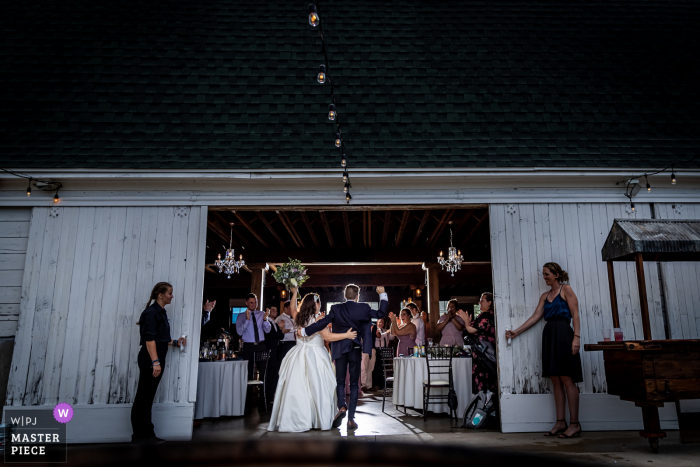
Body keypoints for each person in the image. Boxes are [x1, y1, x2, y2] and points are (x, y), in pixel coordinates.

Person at [506, 262, 583, 439]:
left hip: (564, 333)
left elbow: (576, 314)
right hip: (549, 335)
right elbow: (535, 317)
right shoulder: (544, 296)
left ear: (556, 275)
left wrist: (576, 338)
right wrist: (515, 332)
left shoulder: (567, 290)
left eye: (547, 274)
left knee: (567, 379)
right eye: (543, 274)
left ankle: (575, 424)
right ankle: (561, 422)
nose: (545, 277)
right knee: (555, 380)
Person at [268, 288, 357, 432]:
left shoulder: (297, 317)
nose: (320, 304)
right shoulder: (318, 319)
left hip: (297, 355)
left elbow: (292, 307)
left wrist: (294, 292)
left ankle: (300, 418)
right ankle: (319, 419)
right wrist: (346, 335)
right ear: (315, 304)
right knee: (320, 387)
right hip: (316, 356)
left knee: (299, 388)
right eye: (319, 302)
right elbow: (328, 337)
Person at [300, 284, 388, 430]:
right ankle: (351, 419)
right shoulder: (363, 308)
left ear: (344, 295)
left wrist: (304, 331)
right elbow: (380, 313)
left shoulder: (336, 308)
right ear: (358, 296)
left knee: (340, 381)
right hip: (354, 349)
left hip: (339, 349)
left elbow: (321, 323)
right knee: (354, 384)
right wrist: (382, 294)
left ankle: (342, 407)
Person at [131, 282, 186, 444]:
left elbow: (160, 338)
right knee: (143, 398)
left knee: (147, 398)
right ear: (160, 295)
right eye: (170, 293)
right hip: (150, 360)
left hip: (157, 358)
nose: (172, 296)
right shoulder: (150, 313)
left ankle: (147, 435)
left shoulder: (160, 312)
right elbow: (149, 341)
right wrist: (155, 362)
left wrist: (175, 342)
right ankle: (140, 436)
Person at [457, 293, 496, 393]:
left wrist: (466, 321)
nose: (480, 302)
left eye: (482, 300)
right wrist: (469, 322)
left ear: (489, 303)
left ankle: (483, 404)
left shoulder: (485, 316)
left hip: (483, 354)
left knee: (483, 379)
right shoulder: (491, 315)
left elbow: (470, 329)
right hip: (488, 352)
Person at [235, 293, 271, 381]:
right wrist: (247, 320)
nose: (254, 305)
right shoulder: (241, 316)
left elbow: (268, 330)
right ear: (246, 303)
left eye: (255, 302)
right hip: (248, 346)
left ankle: (263, 394)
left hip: (261, 346)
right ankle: (248, 394)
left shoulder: (261, 314)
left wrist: (265, 320)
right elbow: (239, 332)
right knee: (248, 373)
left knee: (264, 372)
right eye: (251, 302)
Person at [264, 307, 285, 404]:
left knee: (275, 373)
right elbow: (270, 335)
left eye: (276, 310)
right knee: (269, 373)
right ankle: (267, 396)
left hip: (277, 350)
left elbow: (281, 336)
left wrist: (280, 329)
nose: (275, 311)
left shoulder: (276, 323)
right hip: (270, 350)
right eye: (272, 309)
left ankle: (272, 395)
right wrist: (281, 329)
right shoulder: (266, 322)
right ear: (267, 311)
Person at [371, 318, 389, 389]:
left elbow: (391, 337)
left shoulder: (385, 330)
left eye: (382, 322)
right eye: (380, 322)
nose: (381, 324)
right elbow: (379, 337)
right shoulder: (375, 330)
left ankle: (382, 384)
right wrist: (387, 332)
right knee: (376, 367)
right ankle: (375, 384)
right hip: (377, 350)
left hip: (384, 350)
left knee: (383, 367)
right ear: (377, 323)